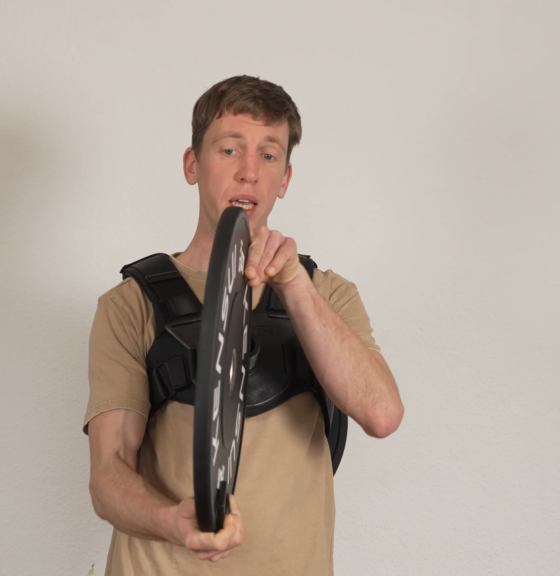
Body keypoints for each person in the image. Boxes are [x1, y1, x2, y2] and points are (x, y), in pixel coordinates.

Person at [83, 75, 403, 575]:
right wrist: (173, 522)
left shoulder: (326, 293)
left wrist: (293, 285)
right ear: (193, 165)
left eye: (269, 155)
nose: (249, 173)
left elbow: (381, 414)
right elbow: (108, 476)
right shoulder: (130, 305)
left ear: (286, 179)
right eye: (229, 150)